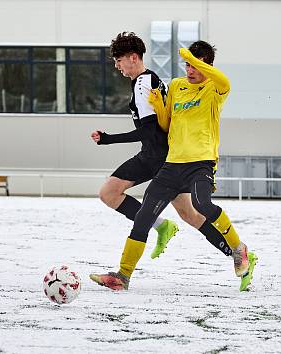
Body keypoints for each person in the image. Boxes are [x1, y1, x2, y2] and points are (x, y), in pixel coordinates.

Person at [90, 40, 257, 292]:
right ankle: (122, 276)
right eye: (187, 65)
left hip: (201, 161)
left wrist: (197, 61)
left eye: (195, 66)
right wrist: (159, 107)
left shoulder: (216, 87)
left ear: (207, 66)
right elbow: (166, 125)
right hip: (172, 163)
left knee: (202, 206)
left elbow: (223, 79)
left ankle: (238, 249)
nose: (189, 70)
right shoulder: (178, 86)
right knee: (146, 216)